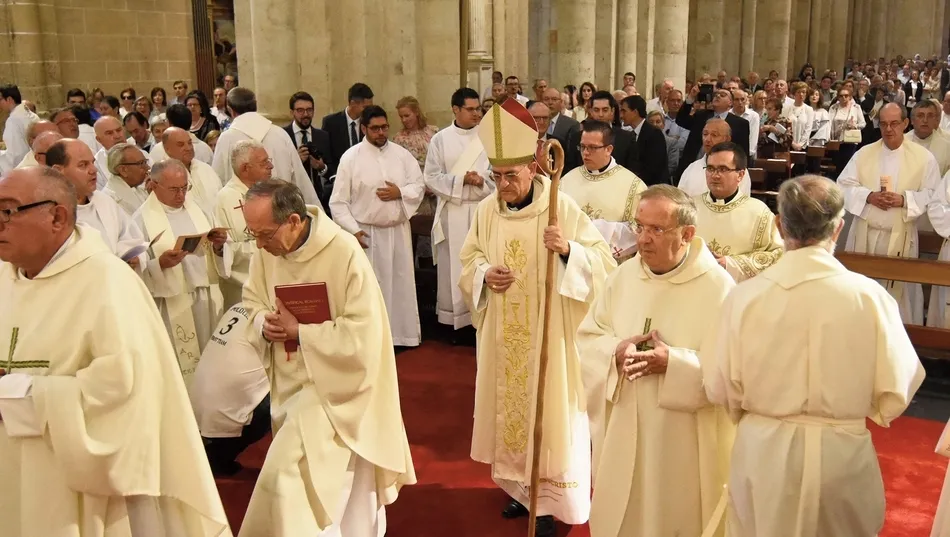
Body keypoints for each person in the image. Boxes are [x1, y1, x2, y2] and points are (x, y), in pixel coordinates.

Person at [0, 166, 230, 536]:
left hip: (85, 492)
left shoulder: (107, 282)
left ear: (57, 216)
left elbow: (125, 392)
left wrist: (19, 395)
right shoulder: (5, 276)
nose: (0, 223)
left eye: (7, 211)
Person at [707, 175, 926, 537]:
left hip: (764, 452)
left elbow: (718, 385)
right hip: (840, 455)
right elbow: (897, 387)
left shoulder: (744, 298)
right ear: (838, 228)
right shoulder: (868, 297)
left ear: (779, 226)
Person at [459, 99, 615, 537]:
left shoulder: (560, 208)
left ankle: (552, 503)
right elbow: (468, 259)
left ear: (534, 168)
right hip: (503, 336)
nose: (503, 184)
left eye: (511, 175)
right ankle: (522, 491)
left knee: (551, 415)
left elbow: (604, 265)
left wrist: (568, 250)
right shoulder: (486, 211)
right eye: (497, 175)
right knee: (511, 412)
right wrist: (484, 274)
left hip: (552, 333)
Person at [239, 179, 415, 536]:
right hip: (291, 382)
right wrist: (263, 323)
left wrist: (300, 333)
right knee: (313, 481)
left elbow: (364, 334)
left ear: (293, 221)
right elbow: (251, 301)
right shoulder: (266, 252)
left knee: (289, 477)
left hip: (340, 386)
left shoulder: (343, 252)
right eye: (252, 234)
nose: (259, 244)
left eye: (265, 234)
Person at [576, 184, 735, 537]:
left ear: (687, 234)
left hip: (680, 439)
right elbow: (587, 338)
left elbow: (733, 372)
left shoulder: (719, 290)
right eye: (639, 226)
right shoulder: (622, 277)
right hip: (623, 427)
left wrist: (674, 363)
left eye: (656, 230)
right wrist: (615, 351)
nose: (644, 239)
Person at [329, 105, 426, 348]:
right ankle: (372, 339)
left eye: (384, 127)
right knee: (370, 287)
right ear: (364, 128)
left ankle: (401, 337)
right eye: (375, 128)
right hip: (367, 233)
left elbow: (419, 185)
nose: (381, 132)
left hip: (397, 231)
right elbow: (338, 202)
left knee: (400, 284)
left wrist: (399, 192)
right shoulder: (350, 158)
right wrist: (354, 230)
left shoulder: (402, 155)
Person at [836, 103, 940, 324]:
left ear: (905, 123)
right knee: (862, 294)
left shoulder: (924, 158)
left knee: (899, 298)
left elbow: (933, 194)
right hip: (864, 234)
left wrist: (904, 200)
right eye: (883, 124)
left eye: (894, 123)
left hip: (901, 237)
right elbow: (842, 186)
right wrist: (868, 196)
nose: (888, 129)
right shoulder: (864, 153)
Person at [133, 159, 230, 387]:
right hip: (172, 302)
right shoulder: (139, 220)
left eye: (185, 187)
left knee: (212, 357)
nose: (181, 195)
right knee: (182, 363)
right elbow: (134, 265)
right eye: (174, 189)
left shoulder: (200, 209)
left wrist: (218, 245)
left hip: (207, 297)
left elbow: (220, 254)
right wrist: (161, 264)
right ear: (153, 185)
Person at [424, 87, 493, 333]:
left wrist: (481, 180)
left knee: (480, 263)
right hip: (451, 213)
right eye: (471, 109)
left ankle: (480, 321)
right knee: (453, 268)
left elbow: (498, 175)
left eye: (478, 109)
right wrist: (461, 181)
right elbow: (431, 177)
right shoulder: (440, 139)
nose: (477, 114)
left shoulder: (489, 137)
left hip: (481, 211)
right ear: (456, 109)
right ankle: (453, 324)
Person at [190, 303, 270, 476]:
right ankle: (219, 457)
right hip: (228, 415)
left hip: (196, 406)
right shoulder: (271, 319)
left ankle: (214, 451)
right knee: (291, 393)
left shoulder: (238, 305)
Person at [45, 138, 147, 270]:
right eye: (83, 165)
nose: (93, 170)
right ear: (58, 171)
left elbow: (131, 237)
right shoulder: (47, 214)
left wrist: (133, 257)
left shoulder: (104, 201)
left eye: (92, 163)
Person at [211, 87, 320, 206]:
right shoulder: (280, 134)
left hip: (243, 211)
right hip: (282, 209)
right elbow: (300, 179)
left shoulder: (227, 139)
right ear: (256, 105)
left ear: (230, 109)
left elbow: (217, 181)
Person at [692, 141, 783, 281]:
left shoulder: (759, 212)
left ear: (740, 175)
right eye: (710, 169)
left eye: (723, 169)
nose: (715, 175)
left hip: (739, 293)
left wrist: (729, 264)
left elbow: (779, 254)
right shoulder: (690, 207)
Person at [559, 120, 646, 263]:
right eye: (582, 147)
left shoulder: (634, 185)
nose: (585, 153)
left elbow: (639, 231)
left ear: (609, 149)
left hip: (610, 267)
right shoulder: (566, 180)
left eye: (592, 147)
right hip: (570, 265)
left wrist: (600, 228)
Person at [214, 139, 273, 308]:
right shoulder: (225, 198)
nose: (270, 166)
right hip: (241, 287)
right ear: (245, 168)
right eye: (264, 162)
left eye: (269, 161)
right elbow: (225, 250)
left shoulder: (267, 193)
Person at [0, 84, 40, 173]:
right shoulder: (33, 115)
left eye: (0, 100)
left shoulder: (13, 121)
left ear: (9, 99)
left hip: (24, 169)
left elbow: (16, 156)